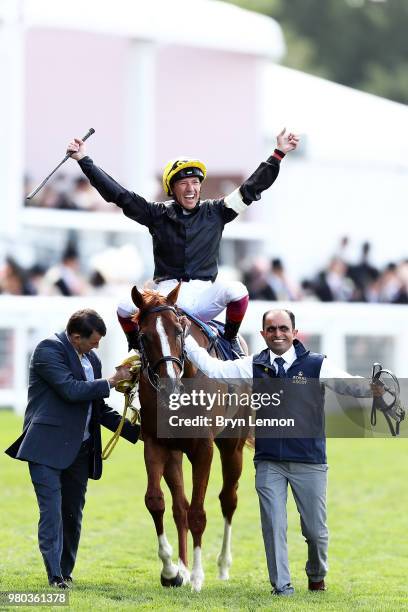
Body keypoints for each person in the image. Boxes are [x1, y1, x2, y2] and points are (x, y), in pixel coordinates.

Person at [182, 309, 381, 595]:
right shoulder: (253, 365)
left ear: (294, 332)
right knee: (273, 527)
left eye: (283, 328)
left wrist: (373, 389)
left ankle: (316, 574)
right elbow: (213, 369)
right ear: (263, 334)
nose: (278, 334)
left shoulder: (316, 365)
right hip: (268, 463)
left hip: (310, 461)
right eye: (271, 329)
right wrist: (186, 338)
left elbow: (347, 383)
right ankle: (282, 587)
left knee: (315, 532)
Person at [66, 129, 299, 356]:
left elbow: (252, 187)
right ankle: (137, 347)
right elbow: (119, 195)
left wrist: (277, 154)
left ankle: (230, 340)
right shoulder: (156, 214)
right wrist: (84, 160)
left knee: (237, 290)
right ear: (172, 188)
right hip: (167, 296)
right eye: (183, 183)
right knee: (123, 307)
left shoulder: (218, 211)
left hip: (205, 295)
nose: (191, 189)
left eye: (195, 182)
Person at [5, 309, 141, 589]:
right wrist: (112, 381)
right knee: (52, 512)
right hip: (45, 447)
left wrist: (138, 433)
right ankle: (54, 576)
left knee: (72, 514)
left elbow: (97, 407)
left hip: (81, 449)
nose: (97, 346)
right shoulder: (47, 350)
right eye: (93, 341)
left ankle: (66, 572)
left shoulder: (91, 358)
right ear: (75, 336)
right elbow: (71, 390)